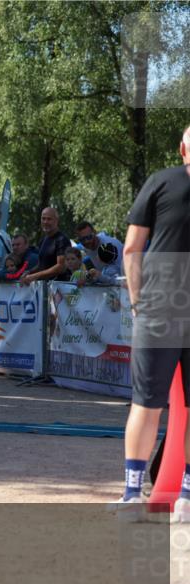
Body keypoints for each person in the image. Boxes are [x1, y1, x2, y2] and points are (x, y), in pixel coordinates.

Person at [114, 124, 190, 523]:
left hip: (160, 307)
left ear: (182, 149)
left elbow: (131, 247)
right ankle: (187, 499)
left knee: (146, 404)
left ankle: (131, 494)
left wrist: (137, 300)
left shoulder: (160, 182)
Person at [21, 207, 70, 284]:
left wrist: (35, 276)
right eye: (43, 219)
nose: (45, 222)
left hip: (60, 288)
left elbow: (61, 266)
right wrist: (29, 272)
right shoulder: (43, 240)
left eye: (49, 219)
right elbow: (41, 265)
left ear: (56, 221)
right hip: (44, 288)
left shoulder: (62, 240)